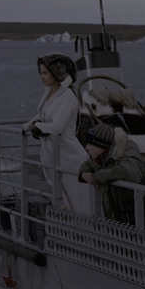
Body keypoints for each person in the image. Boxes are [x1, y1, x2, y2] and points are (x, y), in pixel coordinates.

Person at [23, 53, 93, 216]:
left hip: (70, 157)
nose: (42, 77)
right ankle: (69, 229)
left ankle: (85, 231)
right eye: (40, 73)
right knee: (63, 199)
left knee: (78, 201)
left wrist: (36, 127)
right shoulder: (48, 94)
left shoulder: (68, 96)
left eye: (45, 73)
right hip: (54, 155)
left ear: (57, 73)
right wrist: (26, 127)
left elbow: (57, 127)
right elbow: (41, 116)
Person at [78, 123, 145, 233]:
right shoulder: (102, 157)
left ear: (102, 146)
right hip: (129, 219)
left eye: (91, 144)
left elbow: (129, 173)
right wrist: (84, 173)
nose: (87, 148)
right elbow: (88, 164)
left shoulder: (128, 153)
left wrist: (98, 176)